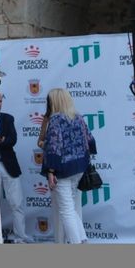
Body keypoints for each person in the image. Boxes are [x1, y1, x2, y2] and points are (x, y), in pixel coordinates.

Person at [39, 87, 96, 244]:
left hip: (62, 171)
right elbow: (90, 141)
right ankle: (83, 240)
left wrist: (50, 171)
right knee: (70, 207)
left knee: (66, 210)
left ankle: (76, 244)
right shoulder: (78, 117)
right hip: (79, 167)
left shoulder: (56, 120)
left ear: (54, 102)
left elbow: (54, 148)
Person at [0, 89, 32, 243]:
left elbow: (13, 140)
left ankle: (20, 237)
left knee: (17, 203)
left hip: (8, 165)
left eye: (0, 101)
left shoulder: (8, 119)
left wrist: (1, 141)